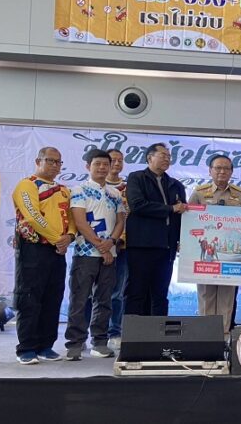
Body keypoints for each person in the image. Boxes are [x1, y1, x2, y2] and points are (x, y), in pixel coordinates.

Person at [12, 147, 76, 364]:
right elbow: (32, 216)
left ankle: (45, 346)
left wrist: (69, 236)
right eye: (50, 161)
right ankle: (26, 348)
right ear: (38, 161)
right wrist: (57, 238)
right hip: (33, 248)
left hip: (57, 250)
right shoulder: (27, 185)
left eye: (58, 162)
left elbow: (71, 218)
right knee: (29, 297)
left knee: (53, 297)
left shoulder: (64, 190)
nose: (55, 165)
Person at [64, 149, 125, 361]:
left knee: (105, 300)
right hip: (85, 253)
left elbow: (121, 221)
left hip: (110, 254)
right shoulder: (79, 190)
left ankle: (99, 342)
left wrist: (111, 243)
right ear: (87, 166)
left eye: (105, 164)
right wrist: (101, 247)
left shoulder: (115, 193)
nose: (102, 167)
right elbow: (80, 222)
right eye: (97, 164)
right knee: (79, 299)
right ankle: (74, 343)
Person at [125, 143, 186, 317]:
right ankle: (134, 331)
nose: (167, 159)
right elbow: (137, 205)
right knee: (137, 291)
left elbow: (181, 214)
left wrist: (182, 239)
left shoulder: (175, 184)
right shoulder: (136, 178)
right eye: (163, 155)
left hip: (167, 246)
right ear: (149, 157)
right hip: (142, 245)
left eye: (169, 156)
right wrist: (170, 208)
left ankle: (159, 331)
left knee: (161, 293)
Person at [188, 155, 241, 334]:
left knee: (227, 297)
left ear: (231, 172)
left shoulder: (239, 194)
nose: (222, 171)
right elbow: (188, 221)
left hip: (229, 254)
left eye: (226, 168)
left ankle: (223, 335)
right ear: (210, 170)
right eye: (218, 168)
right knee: (206, 294)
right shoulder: (199, 193)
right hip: (206, 252)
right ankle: (206, 335)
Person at [105, 149, 130, 350]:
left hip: (122, 246)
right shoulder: (93, 187)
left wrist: (120, 239)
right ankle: (90, 333)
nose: (116, 164)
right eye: (112, 160)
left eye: (120, 160)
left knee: (117, 292)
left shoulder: (128, 188)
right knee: (91, 293)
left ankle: (114, 331)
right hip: (97, 245)